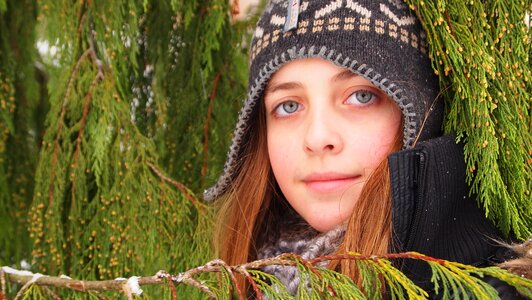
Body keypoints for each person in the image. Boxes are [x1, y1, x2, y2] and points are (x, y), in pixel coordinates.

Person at [204, 0, 526, 298]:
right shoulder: (252, 277)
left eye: (361, 96)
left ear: (419, 112)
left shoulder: (492, 288)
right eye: (288, 106)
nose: (317, 138)